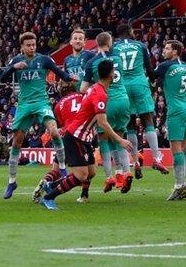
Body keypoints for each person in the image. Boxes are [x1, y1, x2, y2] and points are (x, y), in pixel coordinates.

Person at [39, 60, 133, 210]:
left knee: (90, 172)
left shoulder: (95, 88)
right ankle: (48, 198)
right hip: (76, 136)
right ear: (111, 74)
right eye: (114, 70)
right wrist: (120, 140)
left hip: (83, 137)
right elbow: (102, 122)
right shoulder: (100, 94)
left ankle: (52, 185)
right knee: (81, 175)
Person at [0, 32, 75, 199]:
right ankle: (12, 181)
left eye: (34, 44)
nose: (32, 47)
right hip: (24, 104)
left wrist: (70, 78)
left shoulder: (44, 59)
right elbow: (1, 78)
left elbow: (58, 71)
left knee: (54, 132)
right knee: (17, 142)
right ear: (22, 47)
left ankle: (62, 167)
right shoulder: (16, 61)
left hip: (42, 102)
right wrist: (13, 67)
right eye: (29, 45)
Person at [113, 23, 168, 177]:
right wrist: (152, 82)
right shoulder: (139, 45)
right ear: (130, 32)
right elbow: (150, 68)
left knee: (130, 125)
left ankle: (135, 161)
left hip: (123, 87)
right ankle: (156, 158)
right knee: (148, 121)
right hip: (139, 84)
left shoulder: (114, 48)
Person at [82, 32, 133, 193]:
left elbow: (83, 88)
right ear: (110, 43)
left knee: (103, 138)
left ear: (96, 44)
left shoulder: (91, 62)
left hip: (106, 100)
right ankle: (125, 172)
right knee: (119, 138)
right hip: (123, 99)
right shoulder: (118, 57)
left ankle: (109, 175)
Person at [154, 40, 186, 200]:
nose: (164, 50)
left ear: (176, 51)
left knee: (175, 147)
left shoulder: (165, 66)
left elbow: (151, 73)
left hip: (176, 110)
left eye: (167, 48)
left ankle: (179, 186)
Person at [32, 80, 86, 203]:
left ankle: (46, 182)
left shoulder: (59, 104)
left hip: (65, 138)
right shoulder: (82, 96)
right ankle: (82, 194)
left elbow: (61, 124)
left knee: (57, 170)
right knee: (85, 173)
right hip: (80, 136)